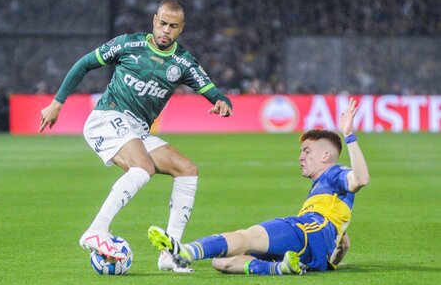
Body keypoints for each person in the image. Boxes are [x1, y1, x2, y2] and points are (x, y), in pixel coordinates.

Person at [39, 0, 233, 271]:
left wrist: (223, 103)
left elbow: (214, 93)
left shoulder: (183, 63)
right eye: (162, 23)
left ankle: (170, 253)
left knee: (187, 169)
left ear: (181, 29)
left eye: (173, 26)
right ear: (154, 20)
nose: (166, 30)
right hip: (107, 118)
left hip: (138, 130)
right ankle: (97, 229)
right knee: (143, 167)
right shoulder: (128, 44)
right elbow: (84, 64)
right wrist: (57, 103)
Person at [148, 98, 369, 275]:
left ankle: (183, 251)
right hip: (313, 254)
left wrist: (349, 135)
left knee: (247, 236)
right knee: (222, 261)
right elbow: (344, 245)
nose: (301, 157)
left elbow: (360, 179)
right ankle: (280, 268)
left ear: (326, 156)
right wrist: (330, 262)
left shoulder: (334, 173)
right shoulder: (329, 198)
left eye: (307, 151)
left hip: (306, 230)